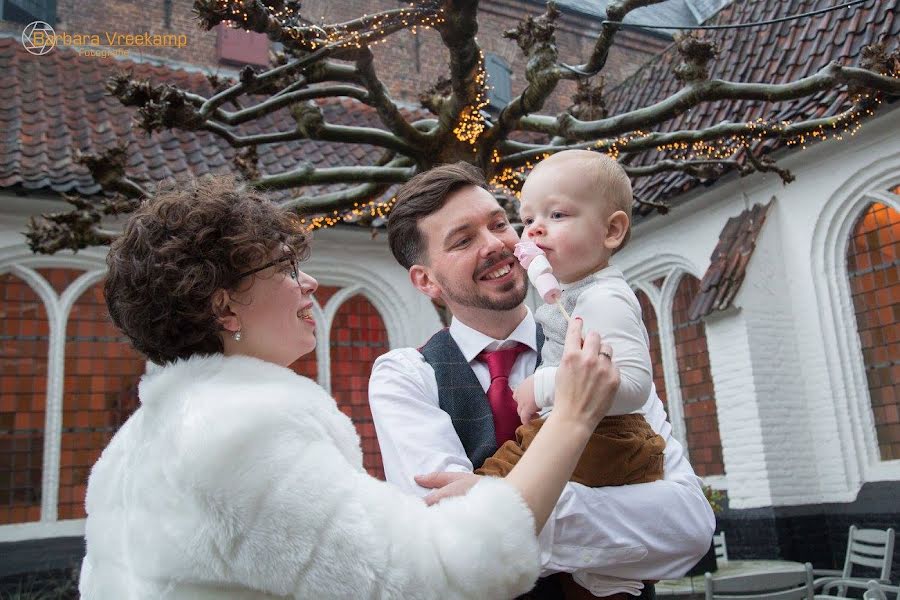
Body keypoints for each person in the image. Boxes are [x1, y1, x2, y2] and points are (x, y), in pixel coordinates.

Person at [78, 174, 622, 599]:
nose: (309, 282)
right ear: (224, 305)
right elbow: (445, 577)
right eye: (285, 268)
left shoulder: (134, 447)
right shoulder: (238, 436)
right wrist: (571, 419)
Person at [368, 162, 716, 599]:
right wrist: (596, 523)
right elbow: (454, 548)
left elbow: (688, 527)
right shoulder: (405, 376)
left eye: (499, 223)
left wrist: (496, 500)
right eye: (463, 240)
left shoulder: (591, 336)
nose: (497, 244)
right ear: (425, 280)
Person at [479, 150, 665, 495]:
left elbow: (635, 386)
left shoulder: (604, 298)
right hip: (574, 431)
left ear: (611, 230)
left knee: (505, 483)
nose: (534, 229)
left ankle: (470, 499)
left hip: (608, 438)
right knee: (501, 471)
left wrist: (545, 385)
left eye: (557, 214)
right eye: (528, 218)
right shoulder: (572, 294)